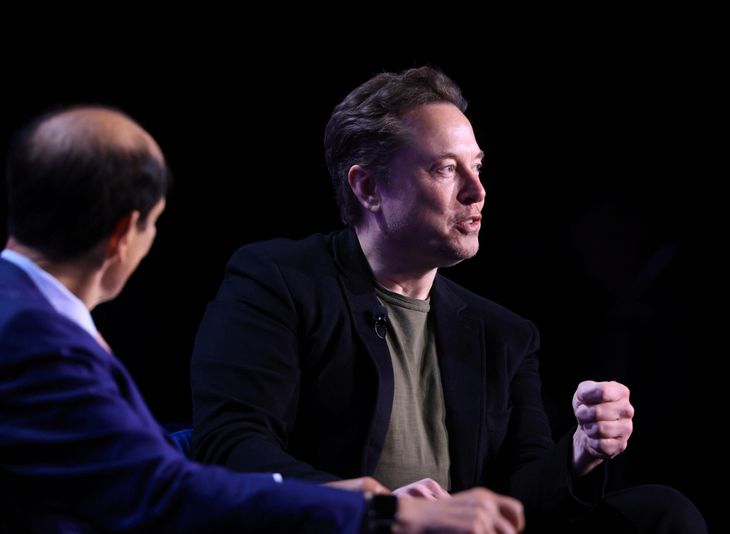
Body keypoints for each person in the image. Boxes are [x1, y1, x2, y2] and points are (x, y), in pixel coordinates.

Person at [190, 67, 707, 532]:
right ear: (367, 187)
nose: (477, 190)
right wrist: (380, 508)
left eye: (478, 166)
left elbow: (523, 502)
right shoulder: (277, 280)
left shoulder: (503, 333)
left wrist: (581, 450)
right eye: (444, 169)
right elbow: (231, 445)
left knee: (661, 511)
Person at [0, 105, 526, 533]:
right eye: (156, 224)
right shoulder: (34, 337)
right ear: (122, 234)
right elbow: (156, 491)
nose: (477, 190)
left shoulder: (25, 314)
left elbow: (126, 453)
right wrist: (377, 509)